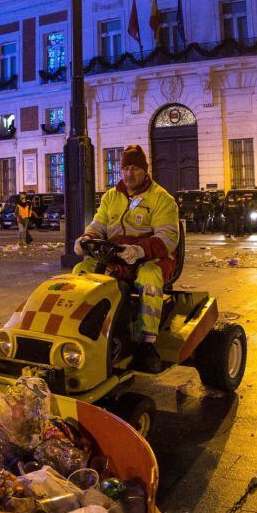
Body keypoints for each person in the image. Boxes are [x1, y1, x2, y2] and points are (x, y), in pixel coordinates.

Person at [75, 144, 178, 373]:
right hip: (116, 256)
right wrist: (86, 238)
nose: (129, 173)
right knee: (82, 270)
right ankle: (80, 330)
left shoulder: (162, 199)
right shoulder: (111, 197)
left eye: (135, 168)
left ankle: (147, 342)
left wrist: (138, 251)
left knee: (149, 277)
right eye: (126, 168)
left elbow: (168, 239)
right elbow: (98, 225)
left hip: (152, 258)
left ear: (145, 170)